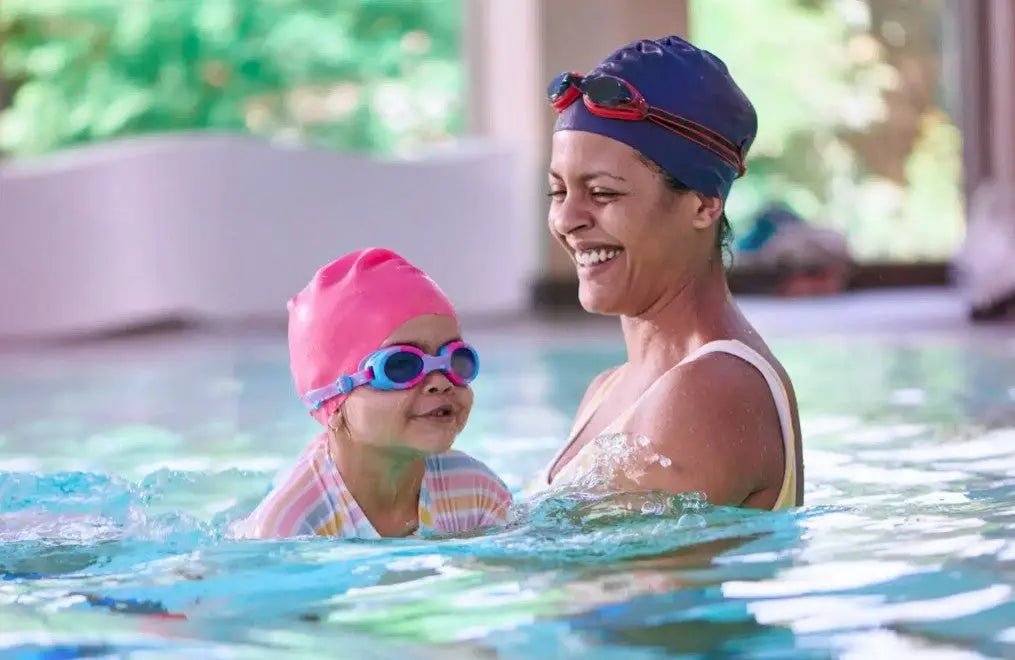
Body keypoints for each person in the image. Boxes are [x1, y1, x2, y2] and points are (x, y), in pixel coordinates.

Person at [534, 35, 803, 509]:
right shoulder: (608, 389)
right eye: (558, 192)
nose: (566, 219)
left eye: (603, 193)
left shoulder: (710, 391)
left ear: (702, 205)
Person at [240, 248, 512, 538]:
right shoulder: (288, 528)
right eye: (402, 366)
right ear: (332, 401)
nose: (441, 382)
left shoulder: (476, 493)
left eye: (456, 360)